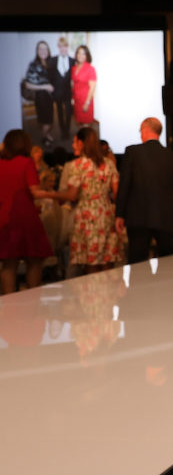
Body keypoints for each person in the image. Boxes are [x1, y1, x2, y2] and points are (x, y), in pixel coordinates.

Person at [115, 117, 173, 263]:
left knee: (137, 265)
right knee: (167, 267)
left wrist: (120, 214)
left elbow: (124, 185)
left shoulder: (132, 152)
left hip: (137, 218)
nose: (140, 134)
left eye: (140, 130)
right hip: (166, 218)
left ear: (146, 129)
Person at [51, 127, 121, 274]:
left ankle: (93, 295)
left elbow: (72, 195)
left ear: (82, 143)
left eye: (75, 142)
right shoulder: (109, 164)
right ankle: (109, 295)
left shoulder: (78, 165)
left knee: (92, 263)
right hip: (106, 214)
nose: (72, 145)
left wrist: (50, 194)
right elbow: (117, 194)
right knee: (107, 262)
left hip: (87, 216)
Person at [0, 130, 54, 294]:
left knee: (9, 263)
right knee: (34, 261)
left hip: (5, 217)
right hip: (25, 216)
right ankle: (32, 302)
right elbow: (35, 192)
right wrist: (57, 194)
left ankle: (8, 304)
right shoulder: (26, 162)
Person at [23, 41, 55, 146]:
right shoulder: (33, 65)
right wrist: (44, 86)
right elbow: (27, 84)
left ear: (48, 50)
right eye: (40, 49)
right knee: (47, 121)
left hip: (50, 97)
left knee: (50, 120)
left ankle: (47, 134)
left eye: (45, 48)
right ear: (37, 51)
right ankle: (44, 138)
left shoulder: (50, 62)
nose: (43, 51)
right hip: (41, 97)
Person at [47, 37, 75, 140]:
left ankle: (67, 130)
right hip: (57, 93)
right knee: (59, 113)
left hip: (68, 93)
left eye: (65, 46)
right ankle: (63, 131)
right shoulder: (53, 60)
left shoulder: (72, 61)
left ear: (68, 47)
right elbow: (49, 76)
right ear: (58, 47)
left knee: (68, 113)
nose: (63, 49)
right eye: (61, 46)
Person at [71, 45, 97, 126]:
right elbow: (73, 84)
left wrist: (87, 103)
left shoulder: (90, 69)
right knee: (79, 121)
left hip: (85, 100)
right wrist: (72, 98)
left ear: (87, 56)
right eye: (79, 53)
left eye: (83, 53)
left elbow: (92, 88)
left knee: (86, 124)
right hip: (77, 100)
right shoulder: (74, 68)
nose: (80, 55)